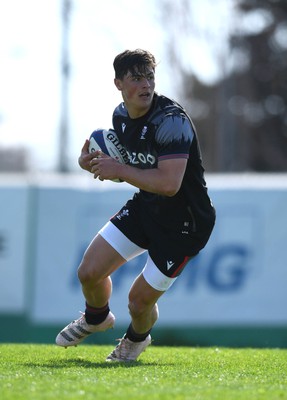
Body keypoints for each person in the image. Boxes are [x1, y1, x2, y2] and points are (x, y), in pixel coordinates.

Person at [56, 49, 216, 362]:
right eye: (137, 78)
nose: (146, 85)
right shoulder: (120, 116)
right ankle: (96, 317)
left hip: (185, 223)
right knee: (89, 272)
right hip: (147, 207)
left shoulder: (172, 122)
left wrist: (120, 171)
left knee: (138, 303)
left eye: (150, 77)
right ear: (118, 83)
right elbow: (131, 165)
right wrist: (94, 164)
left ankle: (135, 340)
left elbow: (169, 185)